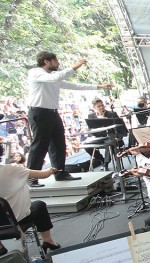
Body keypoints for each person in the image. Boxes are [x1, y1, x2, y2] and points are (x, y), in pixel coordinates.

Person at [26, 51, 113, 187]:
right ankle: (31, 176)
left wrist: (99, 87)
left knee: (59, 144)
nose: (58, 63)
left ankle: (60, 172)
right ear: (46, 61)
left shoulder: (54, 76)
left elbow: (76, 86)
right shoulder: (35, 73)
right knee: (40, 145)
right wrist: (75, 66)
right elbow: (55, 78)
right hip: (39, 112)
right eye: (56, 60)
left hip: (52, 113)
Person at [0, 164, 62, 255]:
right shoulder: (11, 169)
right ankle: (48, 240)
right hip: (18, 221)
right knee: (39, 205)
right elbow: (44, 174)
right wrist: (51, 170)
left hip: (2, 224)